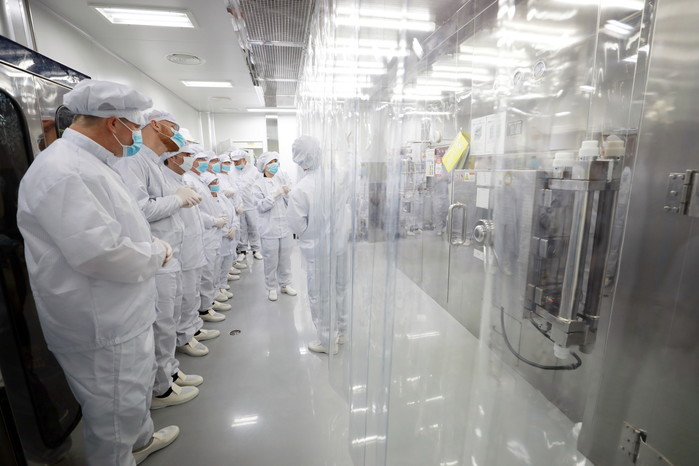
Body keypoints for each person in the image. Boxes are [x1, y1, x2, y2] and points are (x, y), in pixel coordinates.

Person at [16, 79, 178, 465]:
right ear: (113, 123)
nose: (135, 138)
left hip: (120, 313)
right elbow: (100, 253)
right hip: (101, 323)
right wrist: (156, 252)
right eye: (135, 128)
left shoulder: (91, 163)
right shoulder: (64, 171)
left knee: (130, 397)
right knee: (112, 415)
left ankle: (140, 442)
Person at [114, 109, 202, 410]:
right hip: (156, 258)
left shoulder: (153, 163)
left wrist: (176, 196)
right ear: (155, 125)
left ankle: (170, 373)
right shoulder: (134, 162)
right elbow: (140, 209)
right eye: (173, 127)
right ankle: (162, 389)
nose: (177, 135)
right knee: (162, 324)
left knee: (169, 321)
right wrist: (177, 199)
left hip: (170, 256)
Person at [287, 136, 351, 354]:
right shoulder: (336, 180)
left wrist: (312, 234)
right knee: (340, 288)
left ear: (299, 159)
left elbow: (296, 225)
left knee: (321, 295)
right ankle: (342, 331)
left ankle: (327, 340)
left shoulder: (300, 190)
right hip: (339, 246)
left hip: (317, 251)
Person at [161, 146, 221, 357]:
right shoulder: (166, 181)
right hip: (182, 248)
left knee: (192, 290)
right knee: (185, 294)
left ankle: (193, 328)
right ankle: (184, 337)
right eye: (188, 156)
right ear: (173, 157)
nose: (192, 159)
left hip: (194, 244)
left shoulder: (182, 180)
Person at [183, 152, 231, 320]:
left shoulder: (198, 179)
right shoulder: (188, 180)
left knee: (213, 269)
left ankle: (210, 300)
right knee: (206, 273)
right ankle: (205, 308)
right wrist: (214, 221)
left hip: (212, 232)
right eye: (201, 159)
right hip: (205, 233)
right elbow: (195, 212)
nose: (206, 162)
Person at [252, 152, 297, 301]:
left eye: (276, 161)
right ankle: (271, 287)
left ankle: (285, 284)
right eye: (271, 162)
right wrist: (274, 195)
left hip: (284, 226)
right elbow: (260, 207)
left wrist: (288, 194)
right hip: (268, 228)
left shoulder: (280, 180)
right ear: (264, 166)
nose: (274, 164)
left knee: (285, 258)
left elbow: (289, 204)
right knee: (271, 260)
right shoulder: (257, 185)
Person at [230, 149, 263, 266]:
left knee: (254, 227)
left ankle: (256, 249)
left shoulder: (254, 171)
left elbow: (259, 186)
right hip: (238, 205)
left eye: (237, 162)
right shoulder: (231, 171)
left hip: (251, 204)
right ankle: (242, 250)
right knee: (241, 228)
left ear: (244, 160)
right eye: (234, 162)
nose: (235, 164)